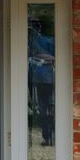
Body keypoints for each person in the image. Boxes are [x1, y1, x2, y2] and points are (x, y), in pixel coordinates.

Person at [28, 18, 55, 146]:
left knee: (46, 109)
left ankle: (49, 137)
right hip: (41, 78)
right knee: (44, 109)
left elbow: (55, 57)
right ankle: (48, 137)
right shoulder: (36, 40)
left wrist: (41, 56)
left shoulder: (44, 40)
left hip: (45, 78)